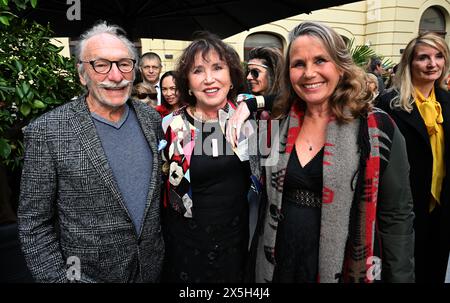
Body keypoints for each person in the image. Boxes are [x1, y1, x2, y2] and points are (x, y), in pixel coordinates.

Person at [228, 21, 415, 283]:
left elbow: (397, 217)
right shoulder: (278, 122)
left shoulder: (377, 128)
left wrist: (402, 277)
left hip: (345, 266)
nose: (309, 73)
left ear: (340, 66)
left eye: (320, 60)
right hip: (277, 261)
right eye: (299, 64)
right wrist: (249, 104)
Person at [17, 22, 165, 283]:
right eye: (101, 65)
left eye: (124, 64)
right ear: (82, 73)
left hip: (152, 271)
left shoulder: (151, 119)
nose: (116, 76)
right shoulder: (48, 131)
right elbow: (34, 224)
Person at [160, 31, 257, 283]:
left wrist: (256, 103)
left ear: (232, 77)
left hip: (237, 241)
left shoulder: (251, 122)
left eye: (217, 68)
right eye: (198, 71)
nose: (209, 79)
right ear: (188, 84)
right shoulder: (171, 125)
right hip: (186, 244)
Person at [377, 32, 450, 283]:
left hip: (440, 213)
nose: (432, 63)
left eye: (439, 56)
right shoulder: (389, 104)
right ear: (410, 63)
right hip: (402, 213)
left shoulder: (447, 102)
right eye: (423, 58)